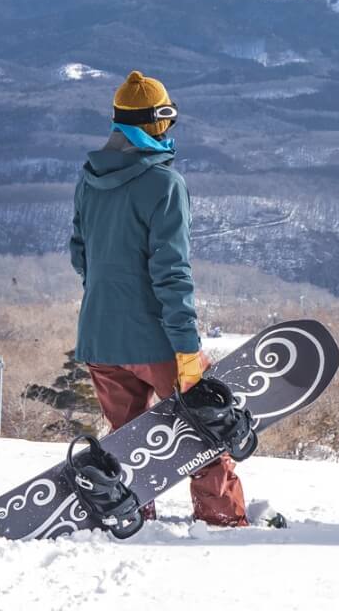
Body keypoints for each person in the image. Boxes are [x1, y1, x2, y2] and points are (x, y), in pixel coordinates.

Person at [68, 70, 248, 527]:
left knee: (128, 440)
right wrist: (186, 347)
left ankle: (135, 515)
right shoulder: (164, 185)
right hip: (157, 340)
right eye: (166, 121)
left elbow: (80, 254)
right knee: (204, 433)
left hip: (100, 335)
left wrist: (111, 298)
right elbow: (172, 274)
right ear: (154, 125)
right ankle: (222, 521)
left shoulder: (89, 179)